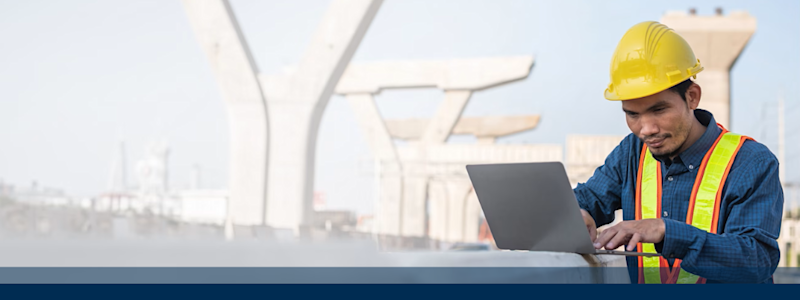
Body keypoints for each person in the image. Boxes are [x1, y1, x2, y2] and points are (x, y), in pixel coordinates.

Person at [575, 21, 783, 284]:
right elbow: (587, 199)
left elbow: (757, 260)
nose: (646, 129)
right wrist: (578, 214)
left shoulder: (750, 162)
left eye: (659, 110)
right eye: (633, 114)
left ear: (692, 97)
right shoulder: (632, 152)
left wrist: (667, 232)